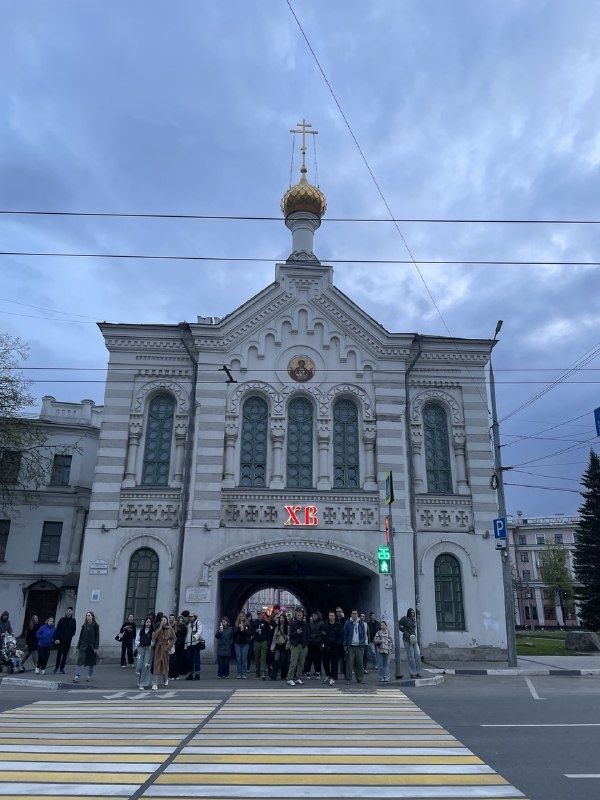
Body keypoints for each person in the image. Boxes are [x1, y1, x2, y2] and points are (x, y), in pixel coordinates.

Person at [73, 611, 100, 682]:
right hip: (83, 645)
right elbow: (81, 637)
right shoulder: (84, 625)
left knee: (91, 662)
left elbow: (97, 637)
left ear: (92, 617)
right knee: (80, 660)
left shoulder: (95, 626)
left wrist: (96, 647)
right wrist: (78, 647)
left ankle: (89, 676)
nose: (88, 616)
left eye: (89, 615)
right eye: (87, 615)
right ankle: (76, 676)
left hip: (91, 646)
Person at [286, 607, 309, 686]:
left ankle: (298, 677)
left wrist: (306, 644)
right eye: (298, 615)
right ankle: (290, 678)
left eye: (300, 615)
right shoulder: (292, 624)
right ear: (296, 615)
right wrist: (297, 633)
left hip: (303, 646)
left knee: (301, 663)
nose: (299, 616)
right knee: (293, 663)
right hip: (295, 645)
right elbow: (290, 635)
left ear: (302, 615)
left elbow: (307, 634)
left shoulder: (305, 624)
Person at [343, 609, 368, 683]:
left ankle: (359, 678)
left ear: (357, 615)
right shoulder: (347, 623)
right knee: (349, 663)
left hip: (359, 646)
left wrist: (363, 643)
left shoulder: (361, 623)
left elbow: (364, 634)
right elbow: (345, 634)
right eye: (353, 613)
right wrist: (345, 644)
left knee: (359, 663)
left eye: (355, 614)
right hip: (350, 646)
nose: (354, 615)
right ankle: (348, 679)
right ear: (351, 615)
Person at [151, 614, 175, 690]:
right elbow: (154, 636)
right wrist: (160, 627)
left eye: (164, 620)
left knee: (165, 664)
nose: (163, 621)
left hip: (165, 648)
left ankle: (166, 678)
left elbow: (174, 638)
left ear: (167, 621)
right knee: (156, 665)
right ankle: (155, 684)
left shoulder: (170, 629)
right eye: (162, 620)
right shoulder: (158, 628)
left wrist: (168, 646)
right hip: (158, 648)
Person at [399, 607, 422, 678]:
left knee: (417, 654)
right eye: (412, 612)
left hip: (413, 638)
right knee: (410, 656)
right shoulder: (405, 619)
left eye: (413, 612)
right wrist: (404, 631)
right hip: (406, 638)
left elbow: (414, 628)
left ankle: (419, 671)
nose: (413, 613)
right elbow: (398, 624)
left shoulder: (413, 620)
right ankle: (413, 673)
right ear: (409, 613)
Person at [322, 610, 343, 686]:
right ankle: (328, 674)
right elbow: (322, 634)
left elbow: (341, 636)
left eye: (332, 615)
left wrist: (338, 643)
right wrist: (323, 642)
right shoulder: (325, 624)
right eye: (329, 615)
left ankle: (333, 678)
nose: (331, 617)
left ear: (335, 616)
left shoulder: (338, 625)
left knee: (334, 663)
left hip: (335, 647)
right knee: (325, 662)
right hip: (326, 647)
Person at [53, 607, 76, 674]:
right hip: (61, 640)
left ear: (72, 612)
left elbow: (73, 631)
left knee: (65, 655)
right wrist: (57, 638)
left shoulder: (73, 621)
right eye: (67, 610)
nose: (68, 612)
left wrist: (69, 637)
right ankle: (56, 667)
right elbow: (58, 629)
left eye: (70, 611)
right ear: (66, 612)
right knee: (59, 654)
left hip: (68, 640)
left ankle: (62, 668)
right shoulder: (62, 620)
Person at [304, 611, 326, 678]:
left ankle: (318, 671)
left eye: (315, 615)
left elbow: (323, 634)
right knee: (309, 658)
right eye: (313, 616)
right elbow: (308, 633)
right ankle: (308, 671)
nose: (314, 617)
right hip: (311, 642)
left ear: (318, 616)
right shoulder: (310, 623)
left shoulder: (322, 623)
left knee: (318, 658)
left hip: (318, 642)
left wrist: (322, 642)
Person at [135, 616, 154, 690]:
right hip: (141, 649)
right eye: (147, 622)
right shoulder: (140, 631)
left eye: (149, 622)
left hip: (148, 650)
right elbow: (136, 640)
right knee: (139, 666)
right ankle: (139, 680)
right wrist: (140, 643)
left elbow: (153, 641)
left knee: (145, 666)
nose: (148, 623)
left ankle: (142, 684)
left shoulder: (152, 632)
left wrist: (149, 643)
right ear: (145, 623)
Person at [252, 611, 272, 680]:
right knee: (257, 658)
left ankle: (263, 673)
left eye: (260, 614)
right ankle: (257, 673)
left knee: (263, 658)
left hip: (263, 642)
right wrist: (255, 631)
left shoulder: (266, 623)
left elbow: (269, 631)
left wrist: (267, 639)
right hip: (257, 641)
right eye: (258, 614)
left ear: (262, 615)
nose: (259, 615)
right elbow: (251, 631)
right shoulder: (254, 623)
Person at [269, 613, 289, 680]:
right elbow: (274, 638)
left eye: (283, 618)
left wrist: (287, 645)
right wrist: (272, 647)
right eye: (280, 618)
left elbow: (289, 637)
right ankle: (273, 675)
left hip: (284, 645)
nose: (281, 619)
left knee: (283, 661)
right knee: (276, 659)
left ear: (285, 619)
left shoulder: (287, 627)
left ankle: (283, 675)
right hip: (277, 645)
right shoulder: (277, 628)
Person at [184, 612, 203, 681]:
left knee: (196, 659)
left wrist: (195, 636)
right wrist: (186, 644)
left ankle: (197, 674)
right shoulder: (189, 624)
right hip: (189, 644)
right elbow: (188, 634)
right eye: (189, 617)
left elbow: (200, 631)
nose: (190, 618)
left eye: (192, 617)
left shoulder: (198, 623)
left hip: (196, 643)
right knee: (190, 659)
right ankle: (190, 674)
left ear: (195, 617)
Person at [233, 612, 251, 679]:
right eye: (240, 616)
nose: (241, 617)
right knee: (238, 658)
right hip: (237, 643)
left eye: (242, 616)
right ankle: (238, 673)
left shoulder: (247, 624)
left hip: (245, 643)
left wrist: (244, 630)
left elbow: (249, 633)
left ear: (244, 617)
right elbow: (234, 633)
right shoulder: (236, 624)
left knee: (244, 658)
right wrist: (238, 628)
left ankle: (243, 673)